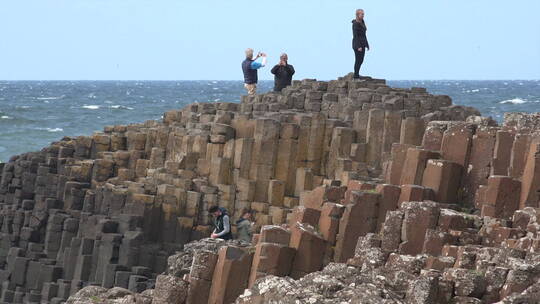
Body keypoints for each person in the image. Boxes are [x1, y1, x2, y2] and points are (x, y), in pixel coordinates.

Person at [352, 9, 370, 79]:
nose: (363, 15)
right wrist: (358, 46)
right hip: (357, 45)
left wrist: (367, 44)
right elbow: (355, 36)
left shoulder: (362, 22)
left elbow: (364, 35)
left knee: (361, 60)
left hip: (363, 44)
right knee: (358, 60)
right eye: (361, 14)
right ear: (357, 15)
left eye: (363, 14)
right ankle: (355, 77)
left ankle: (357, 75)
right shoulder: (355, 24)